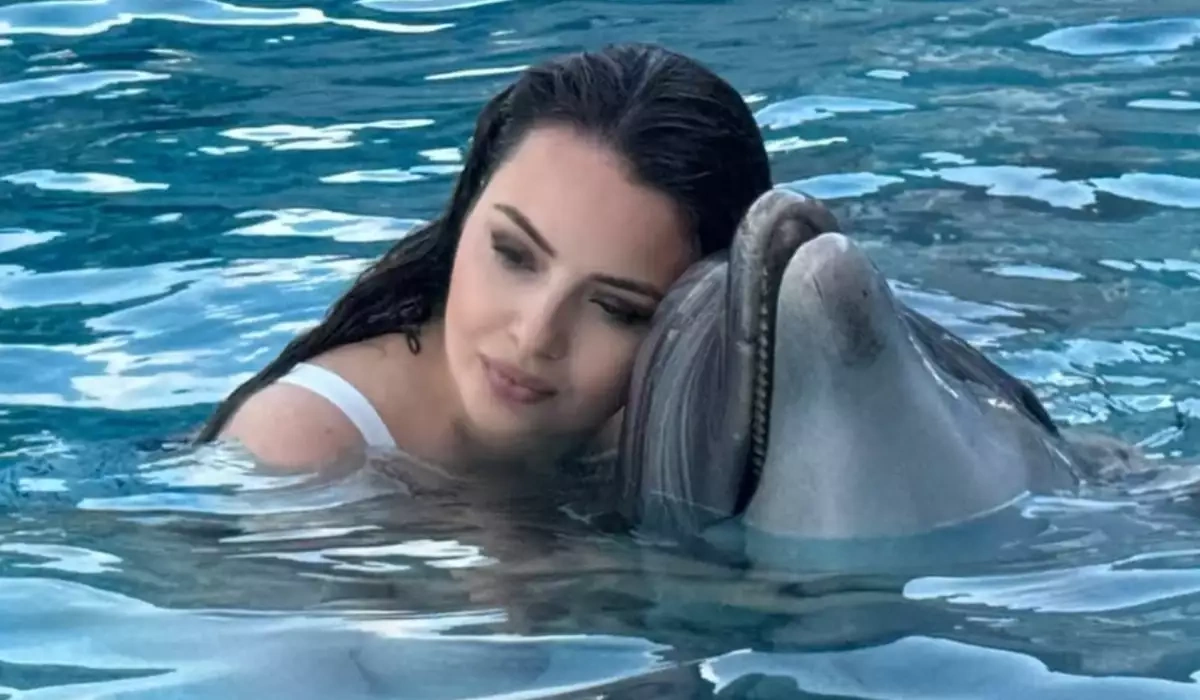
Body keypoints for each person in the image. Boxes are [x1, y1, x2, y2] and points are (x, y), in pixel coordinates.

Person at [194, 43, 773, 480]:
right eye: (513, 255)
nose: (535, 335)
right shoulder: (302, 446)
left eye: (617, 309)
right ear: (464, 211)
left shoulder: (652, 429)